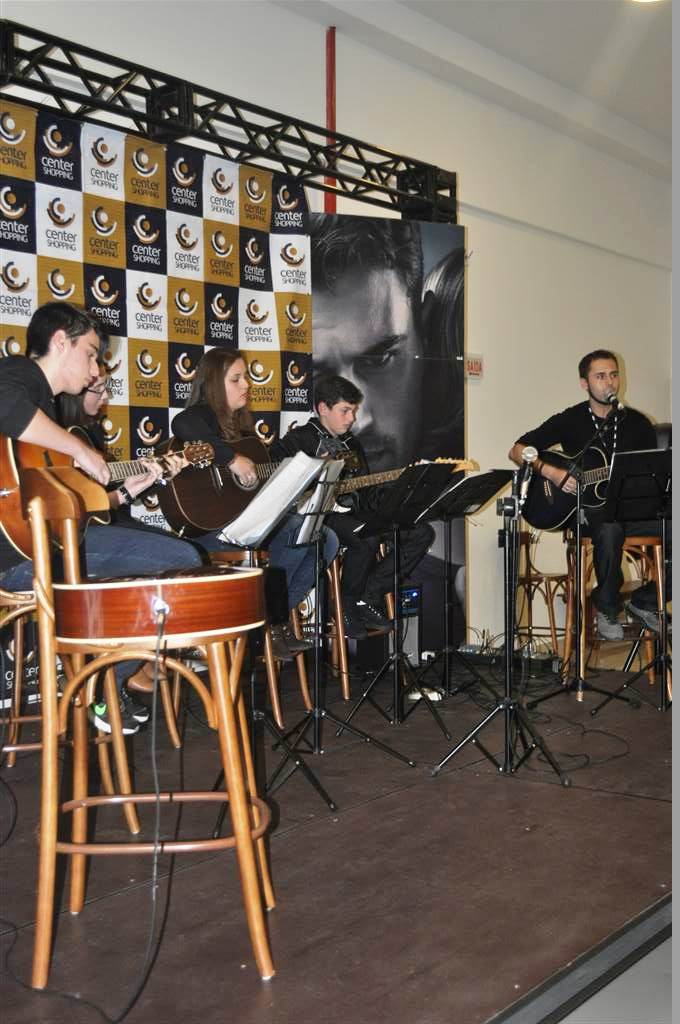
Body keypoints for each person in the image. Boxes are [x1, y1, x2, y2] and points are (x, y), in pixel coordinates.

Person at [0, 301, 205, 734]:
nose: (96, 370)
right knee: (178, 559)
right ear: (60, 342)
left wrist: (126, 486)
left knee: (171, 560)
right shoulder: (20, 376)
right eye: (91, 353)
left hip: (49, 547)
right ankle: (106, 681)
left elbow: (77, 507)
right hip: (23, 558)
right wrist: (80, 450)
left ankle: (105, 677)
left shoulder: (49, 413)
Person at [171, 348, 339, 660]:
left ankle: (274, 619)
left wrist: (300, 473)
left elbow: (260, 485)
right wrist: (232, 460)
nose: (247, 384)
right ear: (212, 386)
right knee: (294, 532)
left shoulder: (244, 433)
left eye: (245, 377)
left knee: (325, 539)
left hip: (246, 528)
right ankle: (266, 623)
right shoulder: (200, 417)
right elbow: (182, 424)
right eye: (236, 379)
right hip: (211, 532)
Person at [509, 350, 662, 641]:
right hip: (585, 515)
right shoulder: (571, 419)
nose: (610, 383)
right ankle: (606, 609)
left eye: (614, 375)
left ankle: (646, 601)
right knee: (609, 529)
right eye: (600, 376)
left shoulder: (639, 424)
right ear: (584, 383)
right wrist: (551, 473)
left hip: (631, 512)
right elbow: (517, 450)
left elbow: (651, 477)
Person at [270, 374, 435, 640]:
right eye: (345, 411)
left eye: (353, 411)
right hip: (317, 516)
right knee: (364, 537)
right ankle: (346, 604)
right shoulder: (297, 441)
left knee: (421, 533)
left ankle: (368, 594)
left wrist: (400, 486)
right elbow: (275, 481)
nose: (352, 419)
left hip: (352, 514)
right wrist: (313, 469)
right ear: (323, 408)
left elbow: (366, 495)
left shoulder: (352, 444)